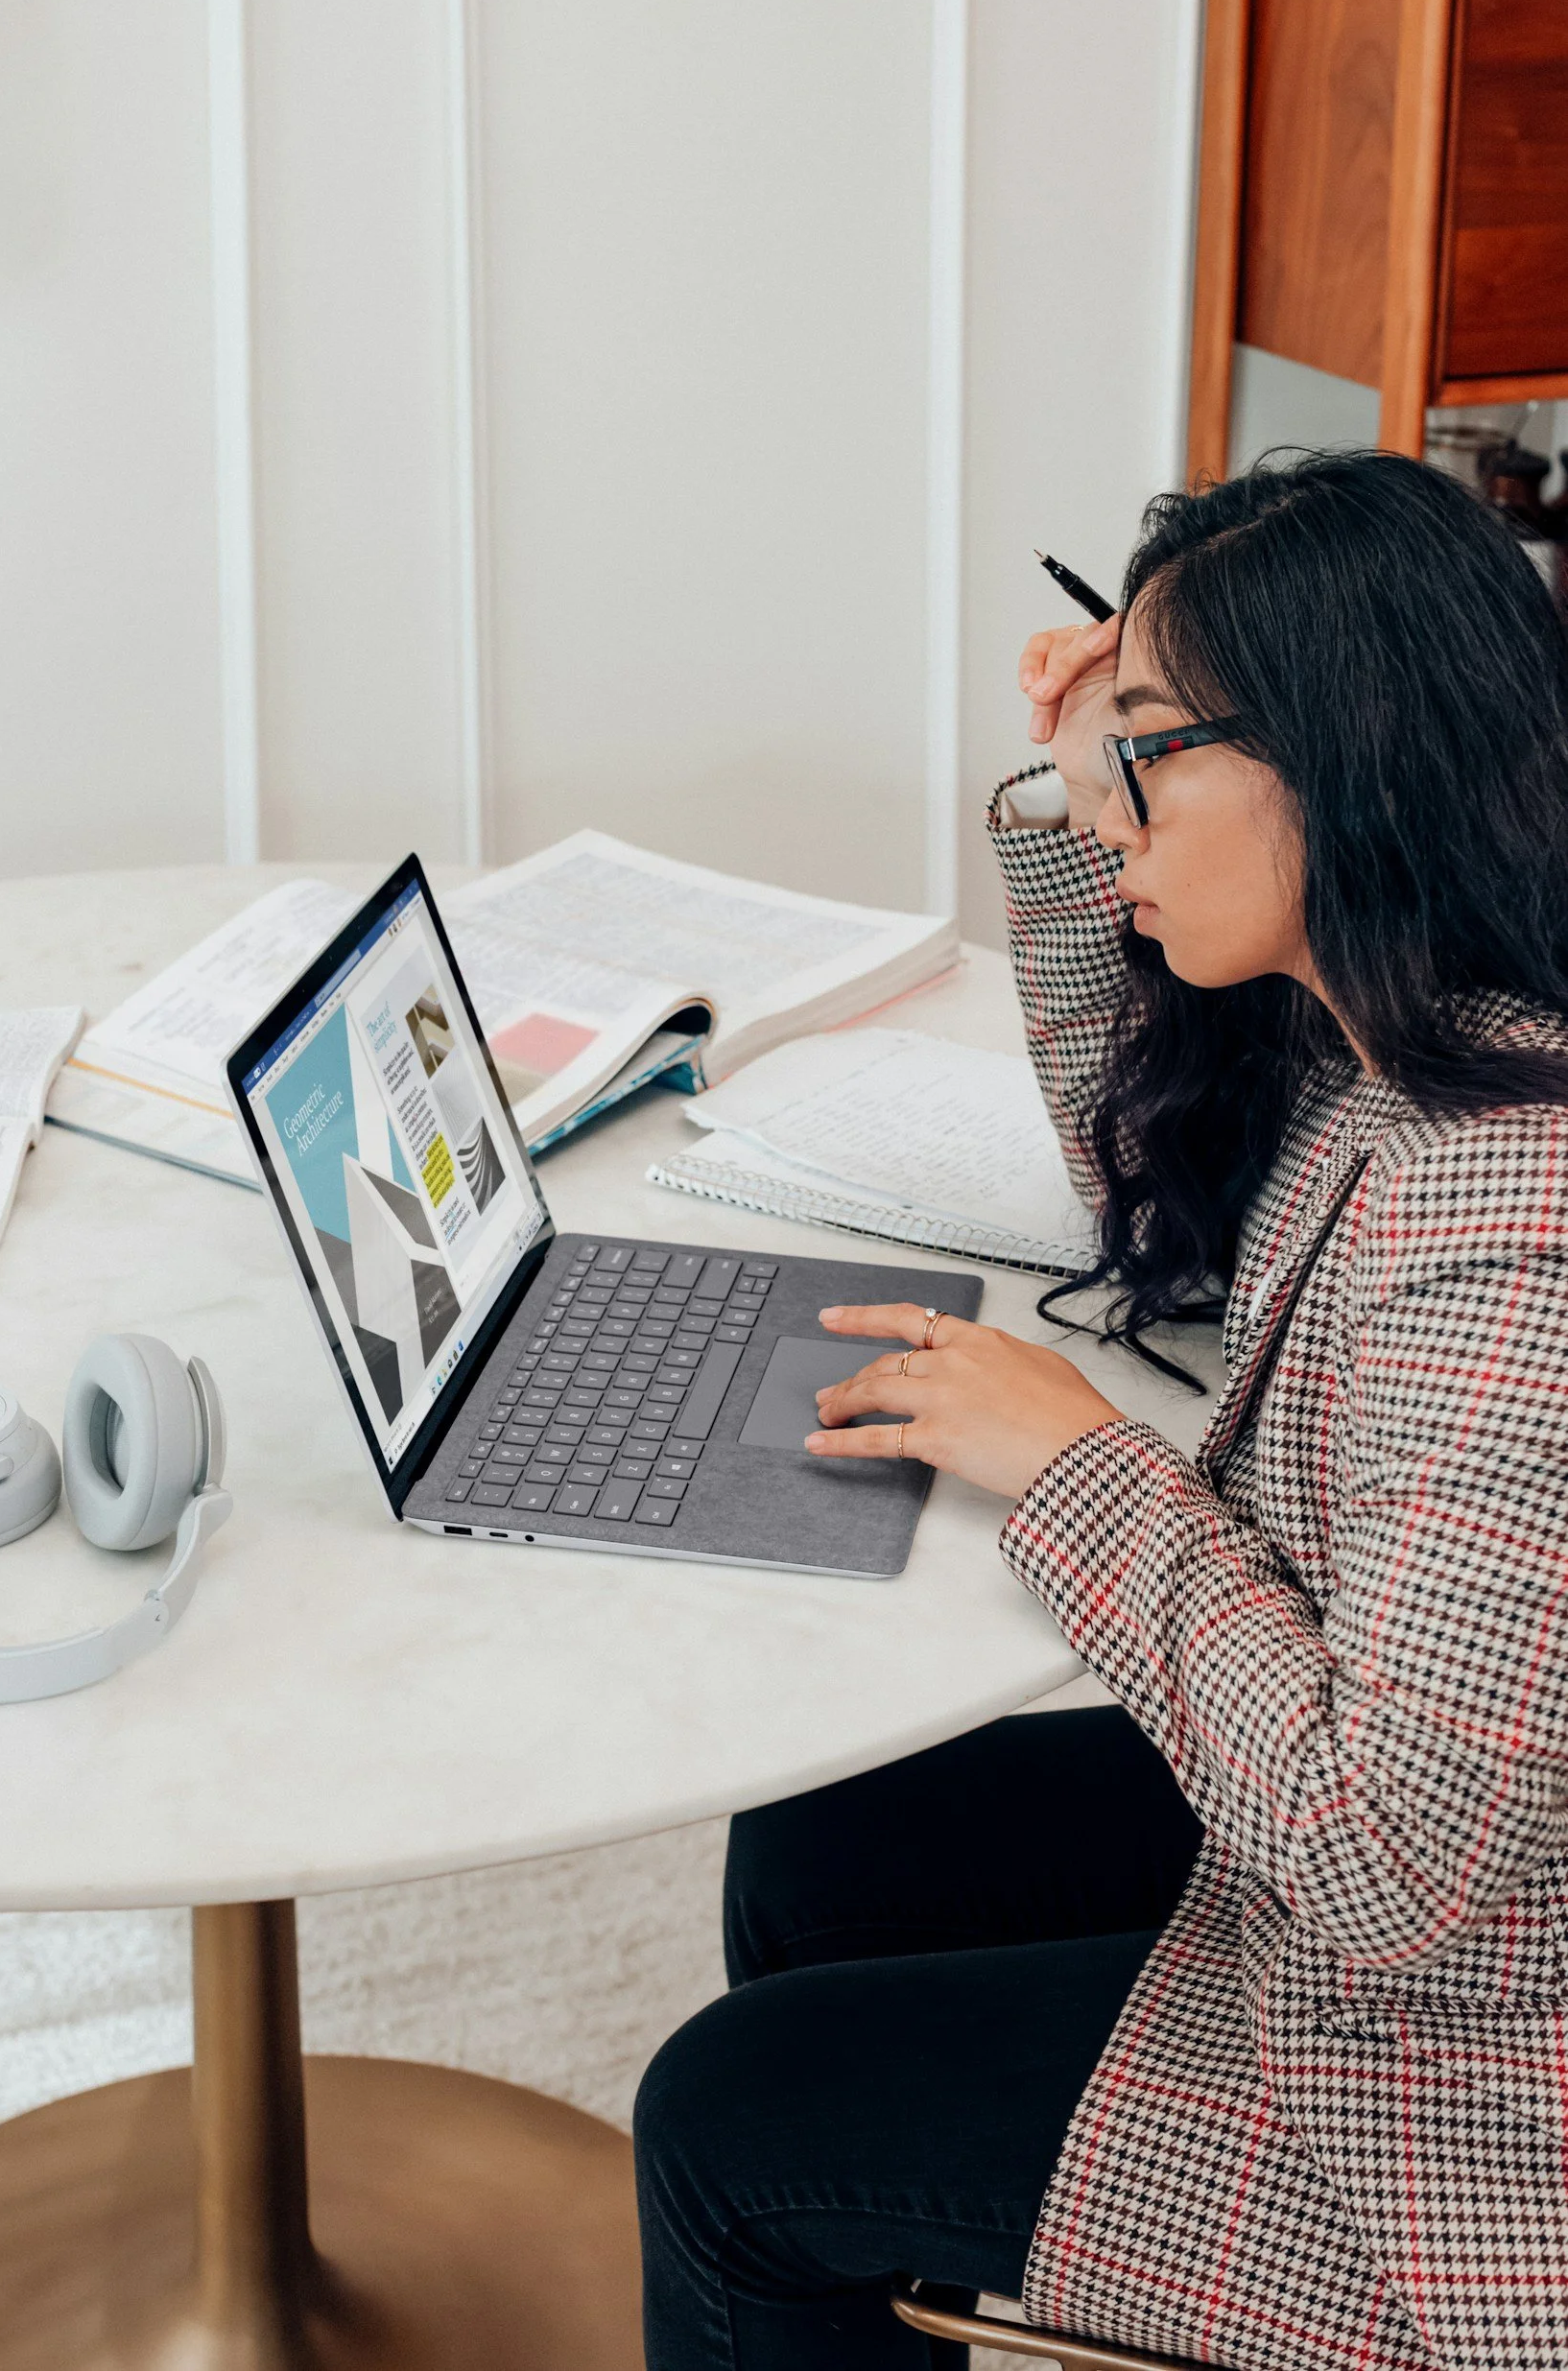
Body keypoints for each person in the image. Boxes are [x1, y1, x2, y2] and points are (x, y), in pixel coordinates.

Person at [631, 450, 1568, 2371]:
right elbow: (1144, 1164)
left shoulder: (1511, 1233)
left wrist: (1074, 1463)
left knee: (727, 2123)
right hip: (1436, 1895)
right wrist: (1086, 803)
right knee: (822, 1844)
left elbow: (1384, 1859)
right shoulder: (1417, 1021)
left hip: (1472, 2092)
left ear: (1346, 751)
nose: (1099, 797)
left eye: (1143, 748)